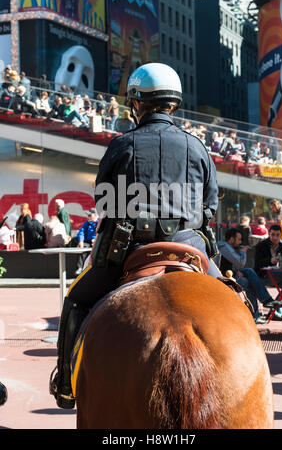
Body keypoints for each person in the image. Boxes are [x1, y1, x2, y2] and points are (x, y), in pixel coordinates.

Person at [49, 62, 220, 409]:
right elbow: (210, 208)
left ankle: (66, 384)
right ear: (173, 104)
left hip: (128, 250)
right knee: (237, 299)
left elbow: (104, 202)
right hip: (189, 249)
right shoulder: (198, 147)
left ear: (137, 103)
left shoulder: (122, 144)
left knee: (76, 299)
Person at [218, 228, 282, 324]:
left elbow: (230, 265)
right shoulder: (225, 247)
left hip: (230, 273)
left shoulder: (227, 247)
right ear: (231, 239)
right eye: (239, 239)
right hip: (222, 278)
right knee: (247, 282)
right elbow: (240, 263)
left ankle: (265, 303)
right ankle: (261, 308)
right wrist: (243, 252)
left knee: (249, 272)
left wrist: (236, 272)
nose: (240, 242)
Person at [254, 224, 282, 320]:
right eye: (273, 235)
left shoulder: (281, 246)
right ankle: (275, 310)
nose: (275, 237)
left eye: (277, 235)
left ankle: (275, 313)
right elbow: (257, 263)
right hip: (262, 276)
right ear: (269, 234)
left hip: (277, 275)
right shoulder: (261, 245)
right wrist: (270, 261)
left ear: (281, 236)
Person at [74, 208, 98, 275]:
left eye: (90, 215)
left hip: (97, 241)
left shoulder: (99, 222)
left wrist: (96, 240)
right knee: (83, 249)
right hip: (88, 241)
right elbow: (81, 232)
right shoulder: (87, 223)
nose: (88, 217)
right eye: (88, 215)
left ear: (95, 215)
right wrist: (81, 241)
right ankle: (80, 268)